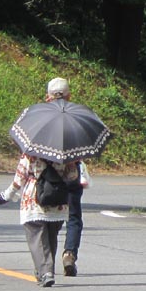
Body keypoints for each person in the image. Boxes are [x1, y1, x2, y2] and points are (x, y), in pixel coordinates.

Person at [0, 154, 79, 287]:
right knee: (50, 239)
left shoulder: (31, 154)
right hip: (58, 202)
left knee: (37, 237)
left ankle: (46, 272)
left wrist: (6, 196)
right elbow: (72, 176)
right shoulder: (64, 154)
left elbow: (19, 178)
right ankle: (44, 271)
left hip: (35, 201)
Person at [45, 77, 88, 277]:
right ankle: (69, 253)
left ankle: (46, 260)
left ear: (48, 97)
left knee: (48, 216)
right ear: (69, 96)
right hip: (71, 172)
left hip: (49, 176)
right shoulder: (78, 117)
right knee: (74, 216)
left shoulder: (41, 118)